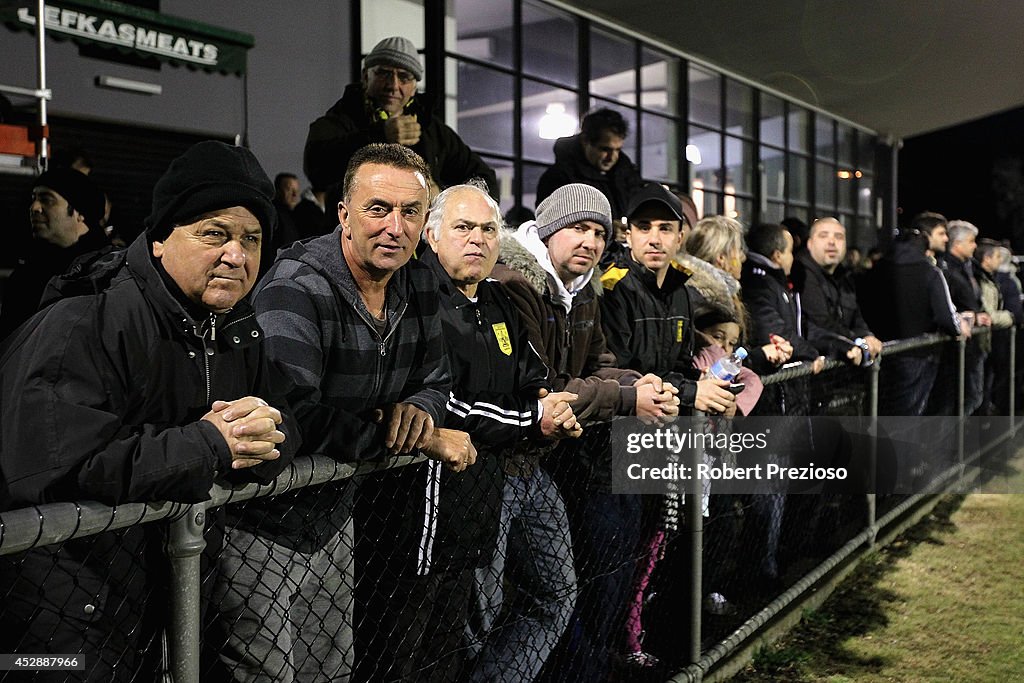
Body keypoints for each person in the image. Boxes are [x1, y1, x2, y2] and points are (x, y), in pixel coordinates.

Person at [0, 140, 297, 681]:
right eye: (214, 234)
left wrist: (264, 438)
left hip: (155, 608)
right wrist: (211, 446)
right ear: (160, 239)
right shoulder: (83, 319)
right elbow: (52, 467)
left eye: (252, 239)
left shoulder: (232, 326)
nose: (237, 254)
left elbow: (286, 421)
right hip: (58, 629)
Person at [217, 143, 470, 682]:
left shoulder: (417, 279)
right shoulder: (296, 286)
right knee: (267, 674)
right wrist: (421, 440)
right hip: (261, 520)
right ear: (344, 214)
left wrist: (418, 412)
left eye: (410, 212)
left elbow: (437, 378)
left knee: (331, 671)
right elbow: (296, 416)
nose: (394, 227)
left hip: (334, 517)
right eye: (378, 208)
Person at [364, 182, 581, 681]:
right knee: (408, 647)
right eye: (463, 227)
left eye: (488, 229)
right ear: (432, 236)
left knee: (461, 637)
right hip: (423, 508)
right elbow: (449, 402)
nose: (478, 239)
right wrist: (531, 418)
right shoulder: (413, 296)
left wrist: (547, 406)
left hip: (484, 492)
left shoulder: (499, 298)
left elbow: (534, 377)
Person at [475, 183, 679, 683]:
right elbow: (545, 389)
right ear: (547, 230)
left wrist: (641, 383)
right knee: (479, 611)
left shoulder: (584, 289)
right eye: (576, 228)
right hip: (491, 462)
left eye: (597, 232)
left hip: (533, 464)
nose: (588, 241)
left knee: (557, 594)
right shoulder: (511, 282)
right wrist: (630, 397)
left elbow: (601, 364)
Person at [598, 184, 737, 669]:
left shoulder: (682, 290)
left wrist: (705, 385)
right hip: (616, 445)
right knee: (614, 557)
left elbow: (680, 361)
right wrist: (695, 391)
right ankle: (608, 652)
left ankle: (629, 642)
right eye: (644, 228)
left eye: (665, 228)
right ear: (628, 233)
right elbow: (626, 368)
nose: (654, 238)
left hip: (663, 438)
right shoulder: (613, 288)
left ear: (681, 234)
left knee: (651, 546)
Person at [303, 36, 498, 200]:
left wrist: (444, 198)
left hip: (422, 243)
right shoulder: (341, 119)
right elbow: (316, 170)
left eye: (404, 77)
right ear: (365, 76)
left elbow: (484, 177)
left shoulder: (432, 130)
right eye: (384, 74)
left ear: (414, 88)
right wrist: (379, 135)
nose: (393, 85)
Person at [859, 228, 964, 416]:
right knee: (908, 414)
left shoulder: (877, 270)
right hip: (919, 355)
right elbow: (945, 317)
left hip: (880, 351)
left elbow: (862, 306)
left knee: (879, 410)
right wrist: (957, 329)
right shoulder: (930, 271)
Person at [0, 167, 109, 340]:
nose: (34, 207)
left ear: (79, 212)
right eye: (33, 199)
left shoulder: (107, 273)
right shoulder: (27, 275)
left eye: (47, 200)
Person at [791, 217, 882, 366]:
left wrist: (866, 336)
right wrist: (857, 341)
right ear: (810, 243)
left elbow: (856, 316)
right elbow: (820, 322)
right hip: (815, 366)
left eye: (839, 237)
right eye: (823, 235)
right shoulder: (801, 275)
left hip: (843, 365)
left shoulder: (844, 275)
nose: (832, 242)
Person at [535, 107, 643, 226]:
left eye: (618, 150)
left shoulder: (627, 175)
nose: (612, 157)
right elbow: (551, 225)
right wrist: (608, 231)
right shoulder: (558, 178)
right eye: (605, 149)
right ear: (585, 141)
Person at [935, 219, 990, 415]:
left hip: (969, 349)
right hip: (956, 351)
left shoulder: (966, 268)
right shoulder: (946, 271)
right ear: (957, 244)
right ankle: (947, 444)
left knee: (971, 398)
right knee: (958, 400)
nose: (975, 245)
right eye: (971, 241)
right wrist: (965, 318)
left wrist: (977, 315)